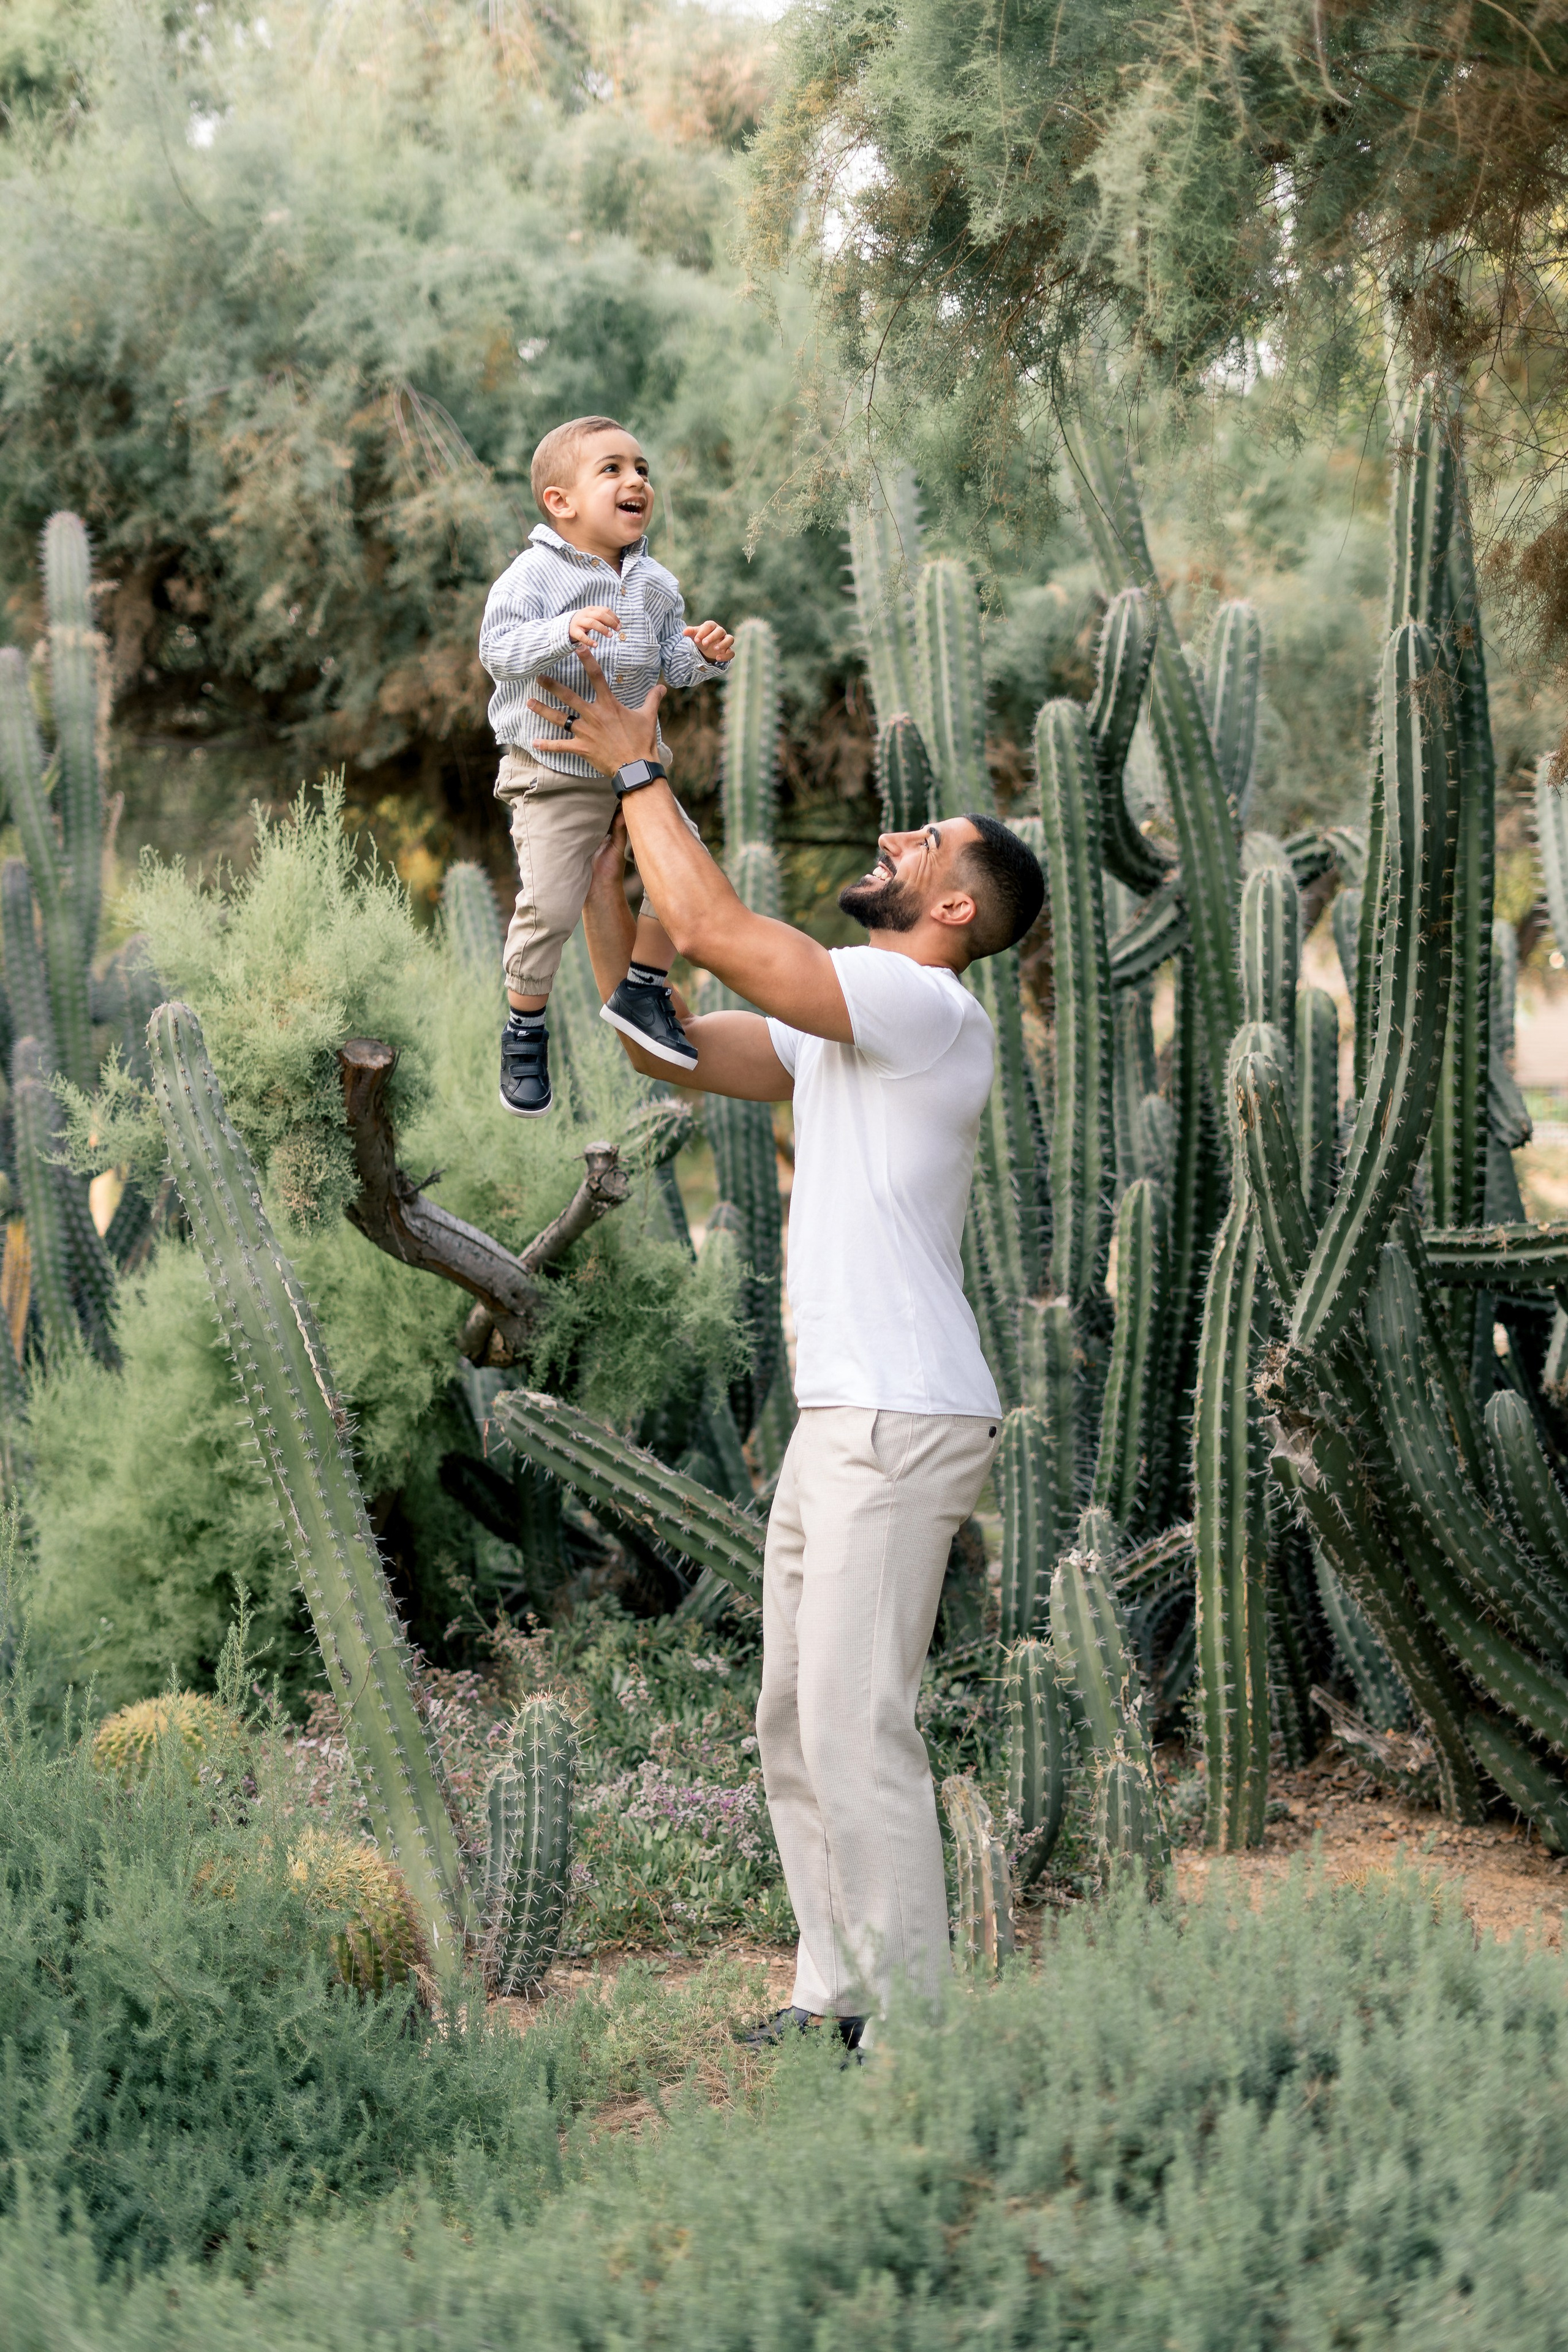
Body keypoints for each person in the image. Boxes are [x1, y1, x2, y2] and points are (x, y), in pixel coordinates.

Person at [535, 646, 1046, 2051]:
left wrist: (640, 760)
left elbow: (706, 926)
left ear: (947, 906)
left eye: (919, 840)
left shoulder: (917, 1006)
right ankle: (834, 1989)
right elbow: (667, 1043)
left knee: (856, 1723)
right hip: (843, 1419)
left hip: (898, 1418)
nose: (889, 836)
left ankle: (916, 2034)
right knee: (792, 1721)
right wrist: (600, 889)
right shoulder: (843, 1031)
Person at [478, 415, 734, 1118]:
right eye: (613, 469)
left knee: (687, 873)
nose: (636, 481)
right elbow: (497, 651)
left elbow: (668, 666)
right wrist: (562, 629)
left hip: (638, 770)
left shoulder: (654, 584)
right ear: (561, 503)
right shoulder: (534, 575)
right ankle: (525, 1030)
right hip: (556, 771)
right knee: (553, 904)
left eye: (642, 469)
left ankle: (643, 988)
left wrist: (704, 656)